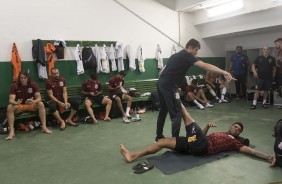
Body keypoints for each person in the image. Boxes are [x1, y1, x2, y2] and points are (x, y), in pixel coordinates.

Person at [120, 106, 276, 166]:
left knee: (187, 116)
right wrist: (207, 127)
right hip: (197, 143)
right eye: (234, 126)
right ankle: (133, 155)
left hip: (203, 147)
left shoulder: (234, 142)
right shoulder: (220, 133)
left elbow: (250, 151)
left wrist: (268, 157)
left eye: (238, 129)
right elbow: (200, 137)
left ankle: (175, 95)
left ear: (239, 134)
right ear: (230, 126)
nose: (235, 128)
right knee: (162, 142)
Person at [155, 38, 234, 141]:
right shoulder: (187, 56)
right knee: (177, 115)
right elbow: (205, 65)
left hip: (161, 83)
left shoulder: (175, 55)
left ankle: (159, 136)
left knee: (163, 111)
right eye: (196, 50)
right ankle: (175, 142)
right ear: (190, 47)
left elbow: (162, 71)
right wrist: (224, 72)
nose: (196, 53)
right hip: (169, 86)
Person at [5, 72, 52, 140]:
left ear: (27, 78)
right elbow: (11, 100)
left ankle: (44, 127)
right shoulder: (14, 85)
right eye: (21, 78)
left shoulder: (33, 84)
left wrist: (34, 101)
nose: (23, 79)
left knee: (41, 104)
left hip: (30, 105)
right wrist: (16, 103)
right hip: (20, 106)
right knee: (9, 107)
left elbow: (39, 98)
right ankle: (11, 132)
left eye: (24, 78)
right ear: (19, 78)